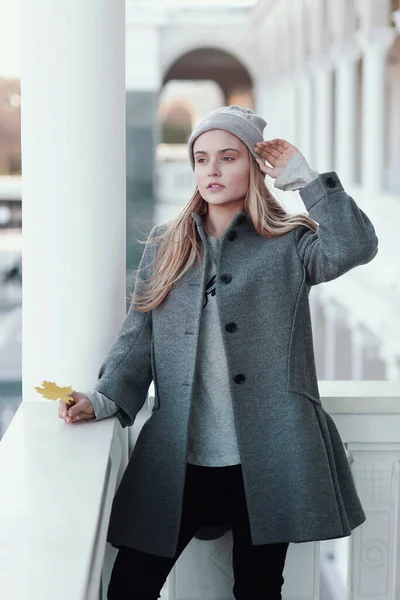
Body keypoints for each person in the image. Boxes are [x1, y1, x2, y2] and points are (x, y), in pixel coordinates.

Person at [58, 105, 378, 600]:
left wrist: (307, 180)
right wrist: (102, 398)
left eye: (228, 157)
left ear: (254, 165)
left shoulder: (289, 242)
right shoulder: (167, 244)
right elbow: (138, 333)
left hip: (270, 458)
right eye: (201, 158)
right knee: (129, 586)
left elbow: (355, 246)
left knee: (258, 591)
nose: (212, 169)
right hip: (179, 457)